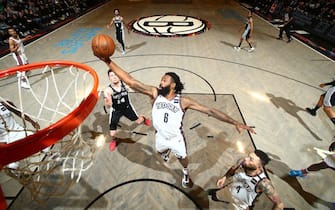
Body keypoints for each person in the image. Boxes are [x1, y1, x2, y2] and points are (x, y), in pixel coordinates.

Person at [95, 55, 256, 188]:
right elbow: (130, 80)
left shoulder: (183, 101)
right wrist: (107, 61)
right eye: (161, 80)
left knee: (182, 158)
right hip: (160, 136)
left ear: (173, 85)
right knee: (160, 152)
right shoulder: (154, 93)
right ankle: (165, 152)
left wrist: (235, 121)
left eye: (164, 80)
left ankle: (186, 173)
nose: (160, 82)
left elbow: (210, 111)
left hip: (176, 138)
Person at [208, 150, 284, 210]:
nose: (245, 159)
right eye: (248, 156)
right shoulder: (242, 162)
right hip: (228, 191)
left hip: (238, 205)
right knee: (214, 196)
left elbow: (280, 205)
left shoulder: (263, 183)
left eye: (251, 159)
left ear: (259, 167)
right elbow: (233, 169)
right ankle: (216, 195)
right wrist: (224, 177)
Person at [104, 69, 151, 151]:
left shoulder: (125, 85)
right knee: (112, 132)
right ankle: (114, 140)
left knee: (138, 121)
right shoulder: (108, 90)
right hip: (116, 110)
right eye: (111, 75)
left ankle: (143, 118)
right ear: (109, 78)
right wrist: (108, 103)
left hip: (127, 108)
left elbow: (135, 87)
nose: (114, 77)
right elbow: (108, 106)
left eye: (116, 75)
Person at [0, 100, 40, 169]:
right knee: (12, 165)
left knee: (42, 143)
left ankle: (53, 156)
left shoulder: (4, 104)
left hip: (19, 131)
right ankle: (21, 175)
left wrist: (32, 121)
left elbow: (19, 113)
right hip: (5, 140)